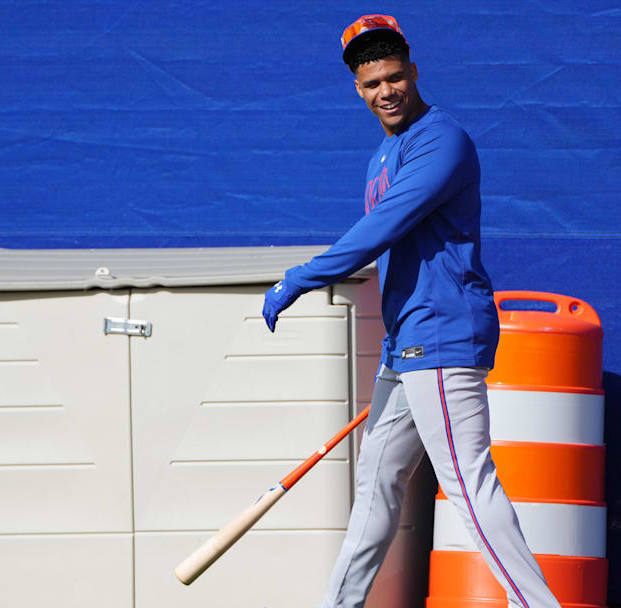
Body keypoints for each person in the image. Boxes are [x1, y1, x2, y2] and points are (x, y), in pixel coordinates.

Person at [262, 15, 563, 608]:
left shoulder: (441, 140)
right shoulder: (381, 156)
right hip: (405, 349)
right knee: (374, 487)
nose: (387, 92)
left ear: (414, 71)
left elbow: (382, 228)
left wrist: (300, 277)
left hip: (442, 337)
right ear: (358, 88)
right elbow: (385, 243)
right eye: (373, 83)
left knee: (468, 486)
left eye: (395, 77)